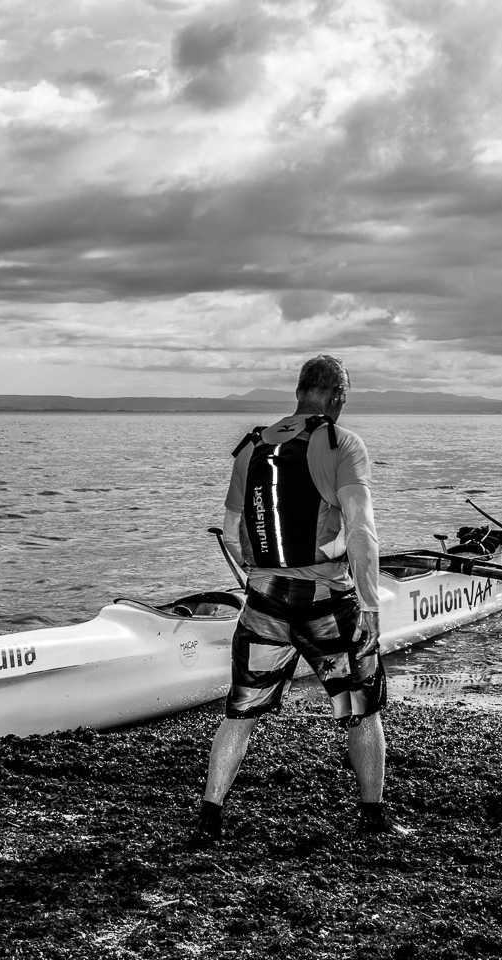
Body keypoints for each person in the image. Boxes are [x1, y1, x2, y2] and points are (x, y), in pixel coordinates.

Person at [190, 355, 404, 846]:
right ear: (336, 397)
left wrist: (266, 573)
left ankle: (209, 816)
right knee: (362, 707)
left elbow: (231, 530)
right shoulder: (342, 443)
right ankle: (373, 818)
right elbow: (362, 532)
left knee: (240, 712)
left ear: (299, 392)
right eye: (344, 398)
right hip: (327, 601)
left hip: (264, 600)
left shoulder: (252, 447)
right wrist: (370, 604)